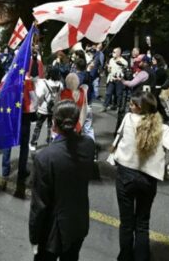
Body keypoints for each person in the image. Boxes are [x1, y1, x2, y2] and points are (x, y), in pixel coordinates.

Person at [111, 92, 169, 260]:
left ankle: (125, 257)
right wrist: (166, 172)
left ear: (140, 108)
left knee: (126, 222)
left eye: (132, 104)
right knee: (142, 223)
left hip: (125, 175)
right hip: (148, 179)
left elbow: (118, 140)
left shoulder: (128, 119)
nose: (129, 106)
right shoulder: (162, 129)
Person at [29, 100, 97, 260]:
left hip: (52, 230)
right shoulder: (88, 145)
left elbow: (39, 205)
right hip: (78, 222)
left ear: (54, 123)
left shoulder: (45, 157)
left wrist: (34, 237)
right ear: (77, 121)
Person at [30, 67, 63, 151]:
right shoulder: (60, 84)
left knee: (38, 126)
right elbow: (59, 96)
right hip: (53, 108)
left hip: (43, 108)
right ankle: (50, 142)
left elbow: (39, 95)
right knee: (50, 126)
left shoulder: (43, 83)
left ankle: (33, 143)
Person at [103, 48, 127, 112]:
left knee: (119, 94)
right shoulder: (111, 60)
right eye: (113, 52)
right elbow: (109, 70)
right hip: (111, 79)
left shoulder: (124, 61)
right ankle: (105, 106)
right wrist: (108, 68)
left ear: (118, 53)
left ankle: (118, 107)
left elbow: (124, 70)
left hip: (119, 79)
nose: (113, 53)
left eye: (114, 52)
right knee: (108, 93)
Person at [151, 55, 169, 122]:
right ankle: (165, 117)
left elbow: (156, 79)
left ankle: (162, 117)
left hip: (157, 88)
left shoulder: (160, 69)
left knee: (155, 103)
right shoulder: (155, 67)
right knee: (157, 103)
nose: (152, 61)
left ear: (158, 61)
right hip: (155, 88)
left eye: (154, 60)